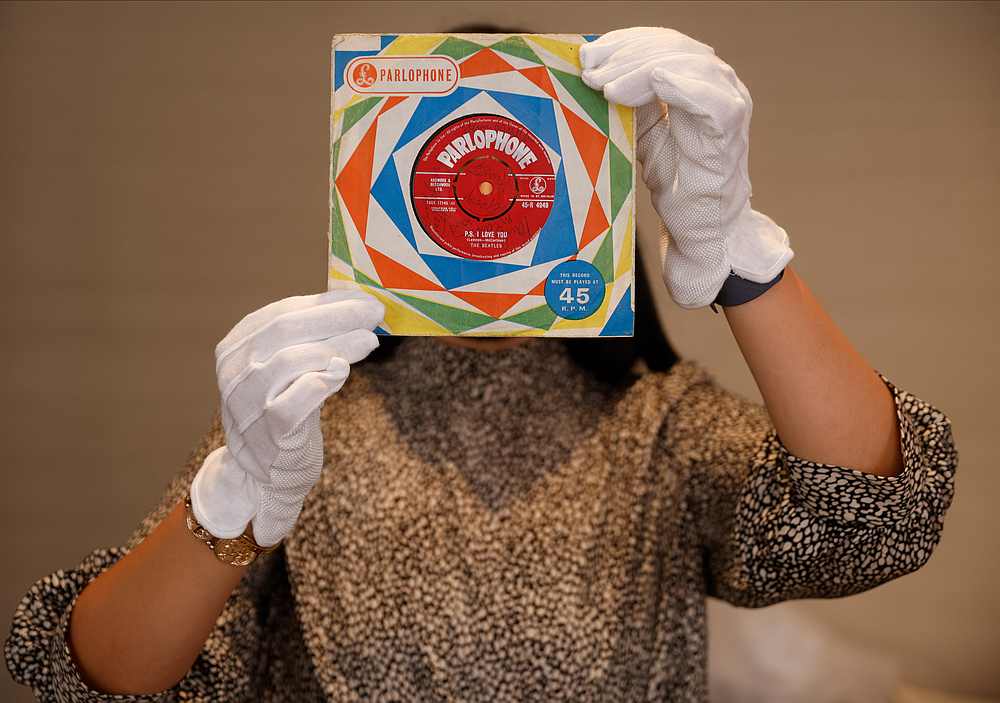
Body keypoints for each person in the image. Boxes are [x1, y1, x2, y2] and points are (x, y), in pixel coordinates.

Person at [4, 26, 957, 703]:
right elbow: (96, 676)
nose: (487, 197)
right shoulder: (298, 418)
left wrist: (737, 257)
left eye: (526, 168)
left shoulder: (660, 424)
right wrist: (230, 508)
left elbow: (874, 513)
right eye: (452, 171)